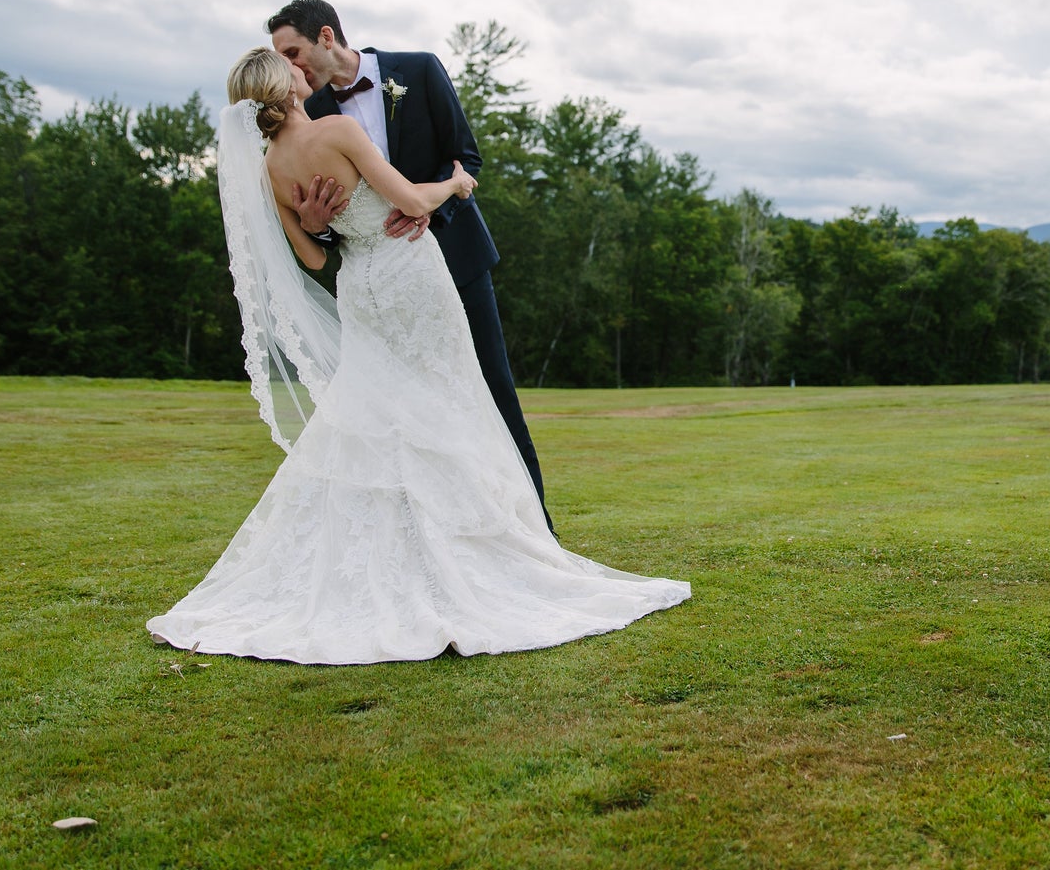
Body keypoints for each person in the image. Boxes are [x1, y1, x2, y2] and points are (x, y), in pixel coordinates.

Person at [146, 48, 688, 664]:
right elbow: (408, 200)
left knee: (382, 410)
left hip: (360, 288)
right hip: (409, 275)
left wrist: (325, 220)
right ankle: (463, 555)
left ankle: (397, 552)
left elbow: (317, 258)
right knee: (448, 396)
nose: (302, 69)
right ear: (286, 87)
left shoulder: (269, 166)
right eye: (291, 66)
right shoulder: (338, 129)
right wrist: (457, 182)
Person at [264, 0, 552, 534]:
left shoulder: (417, 69)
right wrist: (320, 223)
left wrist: (426, 217)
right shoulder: (312, 116)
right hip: (377, 282)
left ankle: (534, 531)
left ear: (327, 37)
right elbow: (333, 223)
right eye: (280, 58)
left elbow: (466, 158)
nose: (290, 66)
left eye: (294, 51)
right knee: (390, 414)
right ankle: (420, 540)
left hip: (454, 260)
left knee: (489, 391)